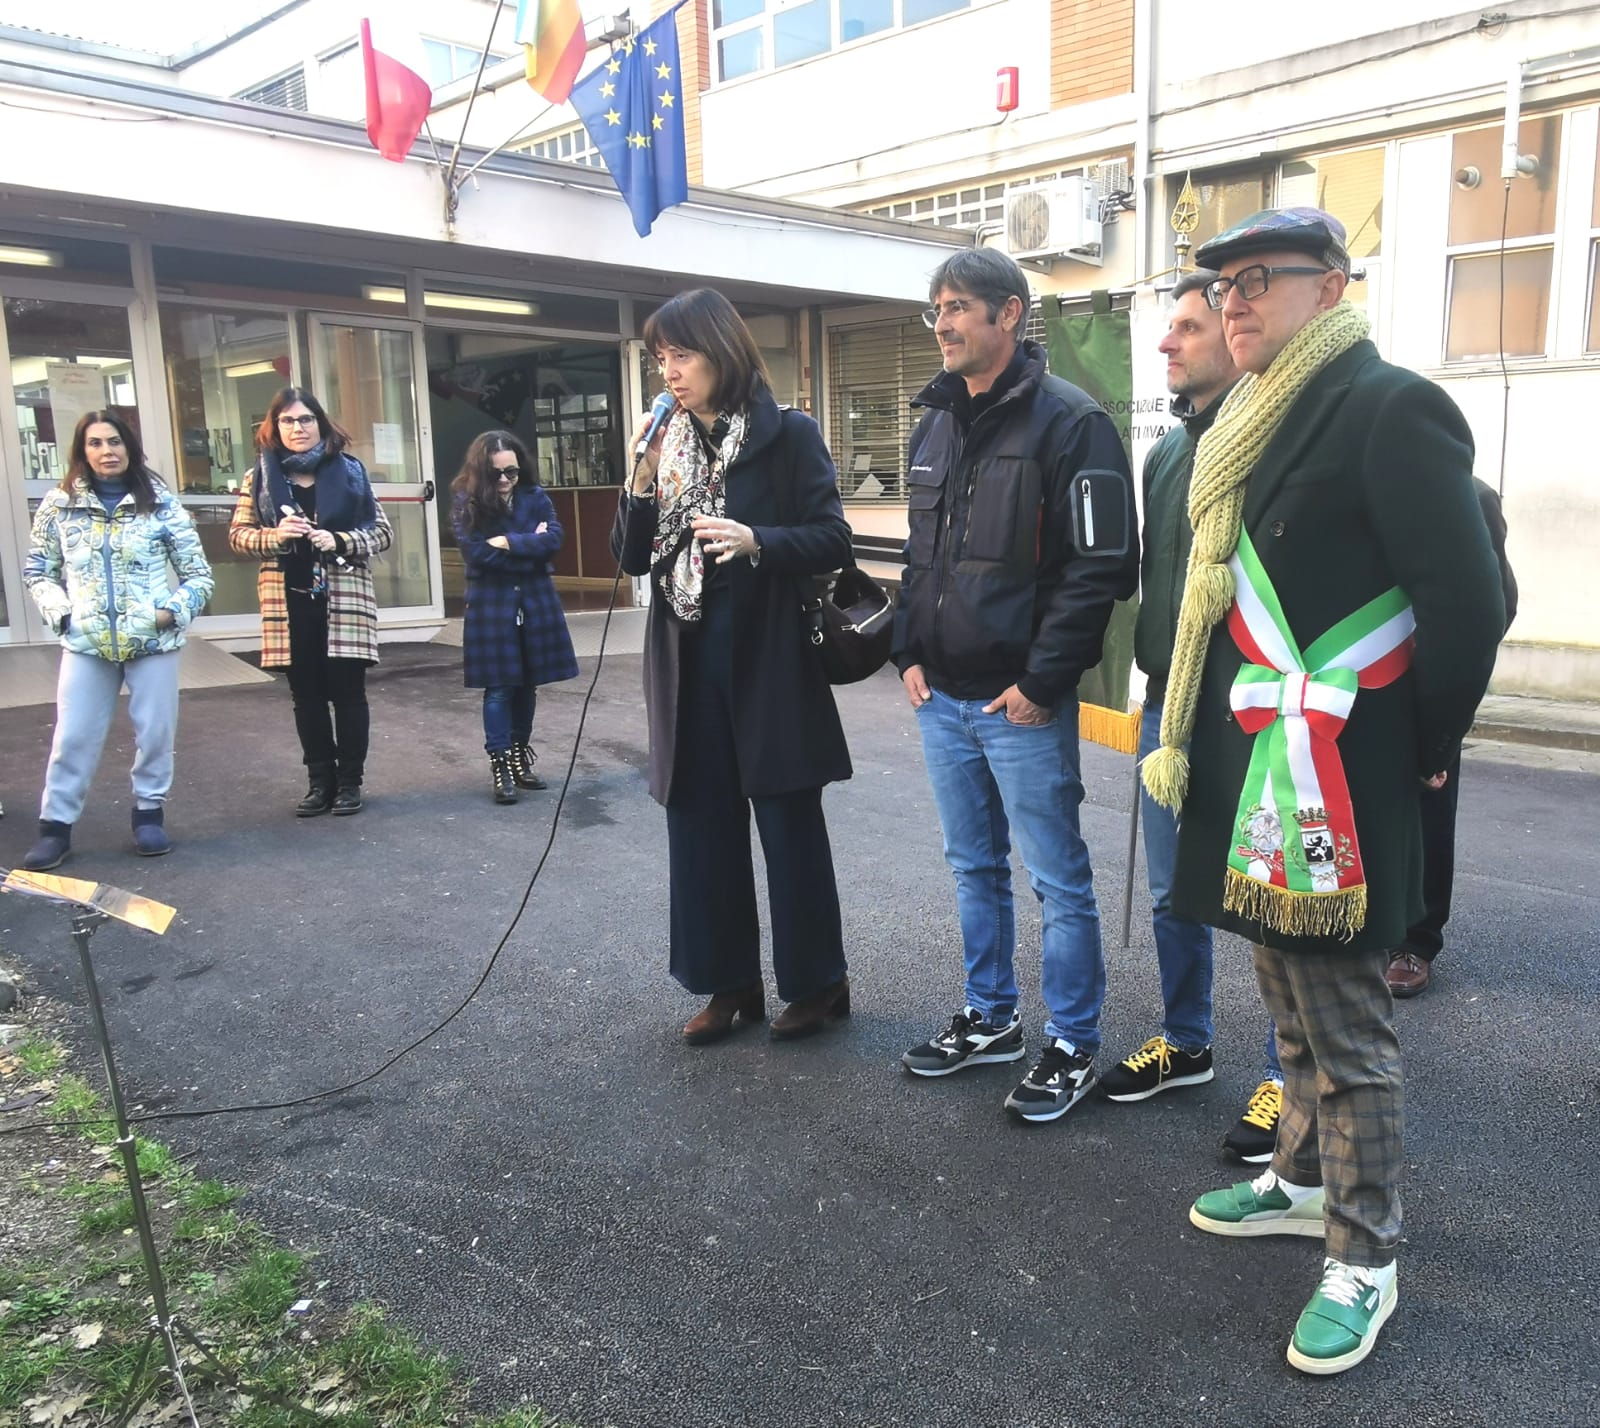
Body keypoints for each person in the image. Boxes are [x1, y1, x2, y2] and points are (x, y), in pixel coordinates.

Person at [1138, 208, 1504, 1375]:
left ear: (1332, 287)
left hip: (1338, 774)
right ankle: (1299, 1179)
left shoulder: (1387, 404)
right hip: (1259, 760)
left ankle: (1365, 1252)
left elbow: (1470, 600)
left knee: (1345, 1030)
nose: (1233, 302)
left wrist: (1421, 746)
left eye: (1258, 279)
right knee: (1285, 998)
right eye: (1222, 285)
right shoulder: (1249, 415)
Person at [892, 248, 1138, 1122]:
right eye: (935, 308)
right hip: (941, 697)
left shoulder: (1073, 423)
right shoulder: (934, 423)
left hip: (1019, 705)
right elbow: (921, 555)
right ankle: (991, 1017)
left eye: (959, 306)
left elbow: (1101, 568)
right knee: (972, 868)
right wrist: (906, 650)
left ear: (1010, 314)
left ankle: (1072, 1042)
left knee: (1057, 881)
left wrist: (1042, 681)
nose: (943, 323)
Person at [611, 287, 854, 1043]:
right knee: (701, 827)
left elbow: (833, 537)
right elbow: (631, 558)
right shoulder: (667, 444)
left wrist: (759, 542)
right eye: (661, 358)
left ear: (722, 351)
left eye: (682, 355)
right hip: (686, 659)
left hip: (769, 654)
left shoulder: (788, 435)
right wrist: (641, 480)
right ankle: (728, 984)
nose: (670, 372)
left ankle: (818, 984)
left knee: (788, 826)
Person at [1095, 270, 1286, 1162]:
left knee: (1273, 897)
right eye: (1166, 328)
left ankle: (1290, 1074)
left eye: (1187, 328)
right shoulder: (1166, 454)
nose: (1166, 344)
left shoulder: (1282, 441)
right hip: (1170, 706)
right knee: (1175, 891)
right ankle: (1187, 1040)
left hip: (1255, 711)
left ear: (1238, 336)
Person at [20, 410, 214, 869]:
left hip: (152, 641)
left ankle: (149, 813)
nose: (107, 451)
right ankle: (55, 827)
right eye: (95, 443)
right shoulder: (59, 505)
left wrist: (169, 613)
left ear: (129, 447)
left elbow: (199, 577)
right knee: (73, 736)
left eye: (114, 442)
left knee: (155, 733)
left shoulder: (161, 504)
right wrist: (63, 615)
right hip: (86, 643)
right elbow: (38, 571)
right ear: (82, 451)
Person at [229, 387, 392, 817]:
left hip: (345, 599)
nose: (297, 428)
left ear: (320, 423)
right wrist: (276, 536)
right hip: (289, 601)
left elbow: (382, 534)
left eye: (305, 419)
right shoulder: (258, 477)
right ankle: (320, 783)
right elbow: (239, 536)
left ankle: (350, 783)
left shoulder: (351, 471)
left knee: (349, 695)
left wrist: (339, 539)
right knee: (306, 698)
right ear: (274, 427)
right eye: (287, 420)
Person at [1384, 477, 1517, 998]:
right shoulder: (1363, 484)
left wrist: (1448, 670)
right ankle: (1365, 925)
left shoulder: (1471, 496)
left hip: (1428, 685)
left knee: (1429, 813)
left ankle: (1416, 941)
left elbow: (1495, 604)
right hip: (1356, 679)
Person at [450, 431, 578, 802]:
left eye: (512, 472)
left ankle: (520, 755)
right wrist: (529, 544)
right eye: (497, 474)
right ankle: (501, 763)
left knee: (527, 684)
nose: (505, 480)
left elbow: (554, 540)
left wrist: (508, 542)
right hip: (491, 602)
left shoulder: (535, 496)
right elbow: (476, 554)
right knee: (499, 686)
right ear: (481, 471)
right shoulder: (466, 501)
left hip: (534, 600)